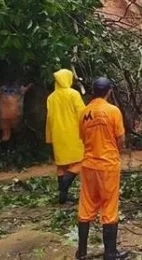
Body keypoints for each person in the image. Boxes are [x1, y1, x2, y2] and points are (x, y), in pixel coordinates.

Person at [76, 78, 128, 260]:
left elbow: (82, 138)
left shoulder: (84, 112)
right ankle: (110, 253)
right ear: (109, 91)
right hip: (108, 165)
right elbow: (120, 139)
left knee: (86, 205)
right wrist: (115, 151)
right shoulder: (113, 111)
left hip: (89, 164)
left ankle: (81, 251)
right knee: (109, 206)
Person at [46, 69, 85, 204]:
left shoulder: (51, 97)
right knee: (81, 161)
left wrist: (49, 136)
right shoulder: (73, 94)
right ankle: (65, 187)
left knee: (61, 165)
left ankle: (63, 194)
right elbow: (82, 114)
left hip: (57, 134)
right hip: (74, 133)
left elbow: (49, 118)